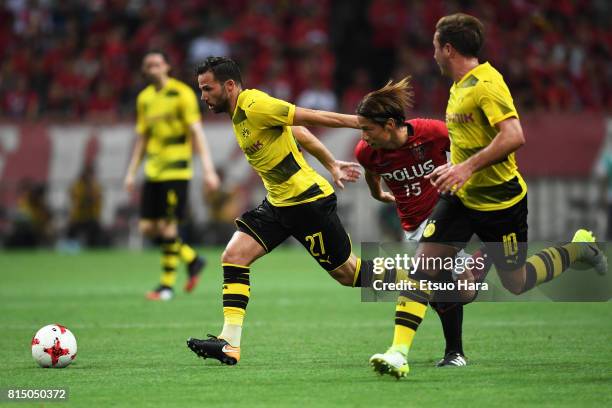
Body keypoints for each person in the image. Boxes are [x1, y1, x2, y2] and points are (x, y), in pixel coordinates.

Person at [369, 13, 607, 379]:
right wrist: (452, 170)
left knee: (516, 282)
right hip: (461, 198)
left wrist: (464, 168)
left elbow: (514, 136)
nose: (432, 53)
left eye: (435, 46)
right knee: (423, 269)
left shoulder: (487, 84)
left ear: (448, 48)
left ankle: (578, 250)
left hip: (501, 202)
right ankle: (398, 352)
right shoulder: (459, 86)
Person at [186, 56, 404, 365]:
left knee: (348, 274)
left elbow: (309, 116)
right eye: (201, 90)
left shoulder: (254, 105)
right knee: (234, 256)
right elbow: (296, 131)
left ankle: (418, 280)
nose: (203, 97)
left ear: (229, 85)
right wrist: (331, 163)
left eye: (207, 89)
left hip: (307, 203)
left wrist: (360, 122)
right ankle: (229, 343)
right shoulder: (239, 115)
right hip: (279, 204)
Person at [355, 77, 491, 367]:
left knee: (432, 283)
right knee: (462, 293)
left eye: (368, 129)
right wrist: (376, 193)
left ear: (390, 125)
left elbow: (468, 149)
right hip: (413, 227)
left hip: (445, 215)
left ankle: (453, 353)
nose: (364, 137)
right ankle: (486, 258)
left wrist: (458, 171)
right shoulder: (366, 152)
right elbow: (371, 171)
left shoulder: (432, 133)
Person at [124, 50, 220, 301]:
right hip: (153, 170)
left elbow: (197, 132)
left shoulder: (182, 94)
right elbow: (143, 137)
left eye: (157, 63)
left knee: (168, 227)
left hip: (177, 169)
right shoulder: (144, 98)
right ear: (145, 71)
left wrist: (208, 170)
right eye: (148, 64)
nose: (153, 67)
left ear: (167, 66)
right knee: (147, 227)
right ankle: (192, 258)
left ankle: (166, 286)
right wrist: (131, 172)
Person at [66, 164, 104, 247]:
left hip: (92, 217)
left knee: (96, 235)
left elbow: (97, 198)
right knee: (70, 233)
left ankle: (94, 250)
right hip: (78, 216)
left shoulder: (95, 186)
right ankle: (70, 250)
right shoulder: (77, 185)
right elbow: (75, 198)